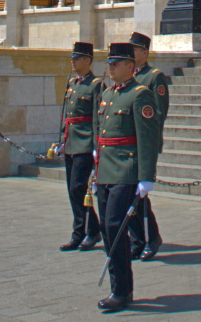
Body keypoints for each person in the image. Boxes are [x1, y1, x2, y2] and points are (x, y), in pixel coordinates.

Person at [94, 42, 161, 311]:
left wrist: (146, 177)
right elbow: (103, 134)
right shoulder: (109, 94)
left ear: (130, 67)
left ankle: (122, 290)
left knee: (114, 226)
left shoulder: (140, 95)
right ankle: (118, 288)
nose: (110, 67)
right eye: (110, 63)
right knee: (107, 231)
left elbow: (147, 138)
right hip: (105, 171)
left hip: (126, 170)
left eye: (116, 63)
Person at [127, 31, 169, 261]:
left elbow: (158, 115)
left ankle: (151, 238)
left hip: (141, 146)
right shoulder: (127, 75)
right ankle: (137, 239)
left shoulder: (154, 78)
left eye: (134, 49)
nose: (130, 53)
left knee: (138, 196)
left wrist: (148, 144)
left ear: (144, 52)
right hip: (124, 146)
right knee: (127, 193)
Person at [59, 42, 102, 252]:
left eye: (77, 58)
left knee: (78, 188)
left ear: (87, 60)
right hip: (70, 143)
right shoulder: (73, 84)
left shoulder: (96, 85)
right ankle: (82, 231)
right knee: (72, 190)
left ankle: (90, 229)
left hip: (85, 143)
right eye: (72, 58)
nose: (72, 62)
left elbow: (96, 117)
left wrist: (96, 146)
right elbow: (67, 115)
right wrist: (62, 140)